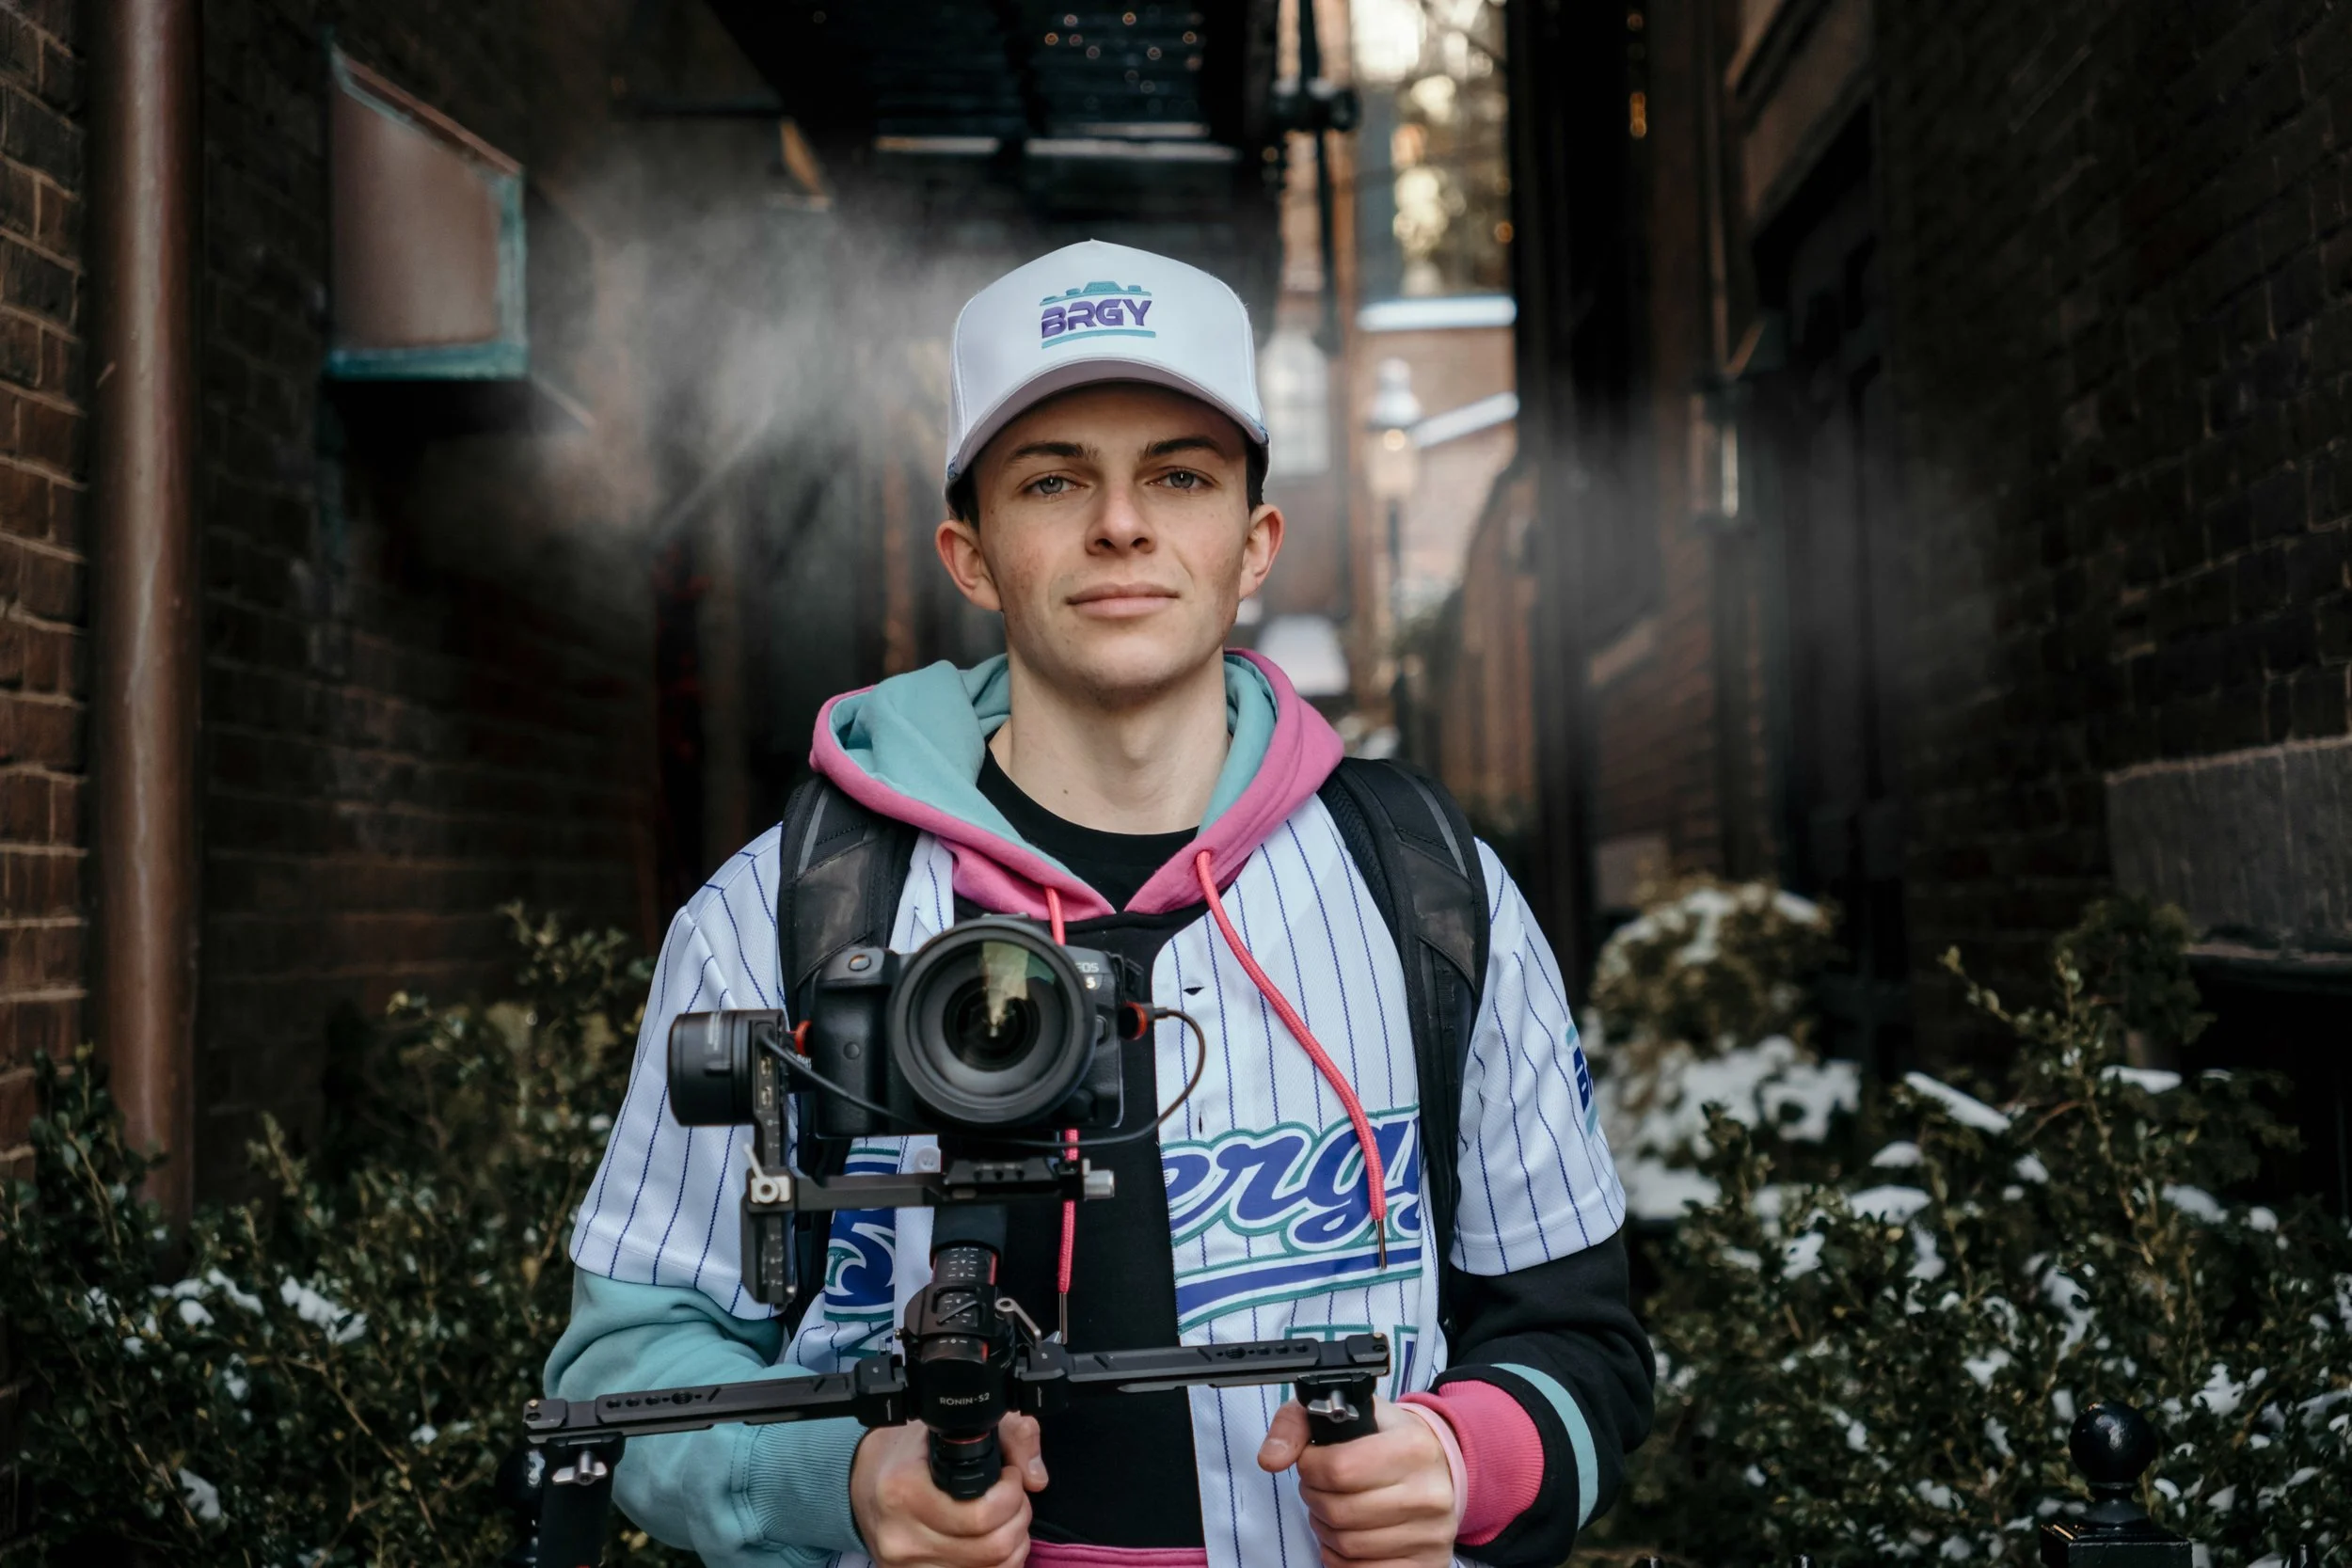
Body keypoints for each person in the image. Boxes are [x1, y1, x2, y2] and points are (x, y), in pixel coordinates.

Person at [547, 240, 1652, 1568]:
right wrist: (837, 1480)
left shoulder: (1430, 888)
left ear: (1254, 544)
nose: (1121, 523)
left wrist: (1470, 1457)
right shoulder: (780, 910)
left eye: (1179, 475)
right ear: (970, 553)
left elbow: (1581, 1337)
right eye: (1053, 478)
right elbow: (628, 1364)